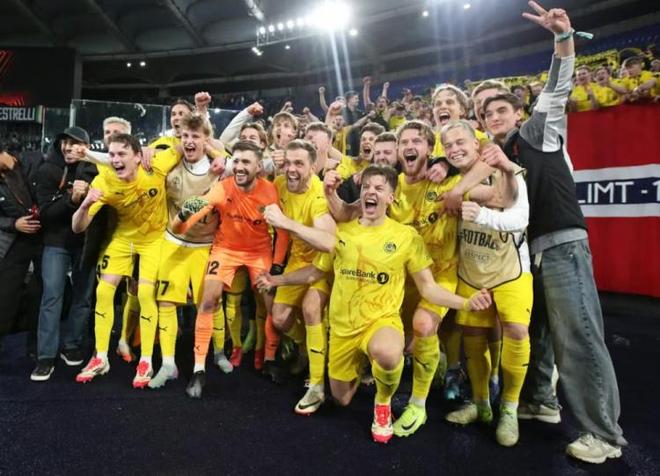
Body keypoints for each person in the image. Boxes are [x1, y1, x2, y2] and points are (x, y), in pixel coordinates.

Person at [472, 1, 626, 463]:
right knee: (537, 334)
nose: (493, 117)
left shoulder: (537, 131)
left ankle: (604, 435)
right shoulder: (496, 156)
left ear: (519, 111)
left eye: (500, 109)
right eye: (486, 114)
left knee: (578, 336)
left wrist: (562, 38)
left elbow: (558, 90)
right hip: (528, 252)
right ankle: (541, 401)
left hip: (561, 245)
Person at [257, 165, 492, 443]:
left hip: (380, 322)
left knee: (388, 353)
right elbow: (314, 273)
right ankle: (359, 367)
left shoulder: (406, 237)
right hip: (343, 329)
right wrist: (277, 280)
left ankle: (382, 403)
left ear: (391, 198)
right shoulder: (342, 233)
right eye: (367, 187)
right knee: (342, 399)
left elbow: (428, 287)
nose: (371, 192)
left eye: (380, 188)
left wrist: (465, 303)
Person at [171, 140, 288, 398]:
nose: (240, 167)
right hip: (225, 250)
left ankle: (270, 358)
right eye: (236, 161)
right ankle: (199, 369)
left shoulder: (270, 191)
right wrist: (182, 217)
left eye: (246, 162)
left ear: (258, 166)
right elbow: (182, 224)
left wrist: (277, 264)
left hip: (259, 252)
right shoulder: (221, 188)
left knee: (271, 305)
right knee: (208, 301)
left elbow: (282, 232)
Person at [440, 120, 532, 447]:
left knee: (516, 331)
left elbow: (517, 215)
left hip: (511, 270)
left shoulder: (511, 172)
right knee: (473, 337)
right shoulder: (450, 181)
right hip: (472, 271)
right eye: (448, 146)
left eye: (460, 142)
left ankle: (509, 408)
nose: (455, 149)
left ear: (476, 143)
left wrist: (479, 211)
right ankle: (481, 405)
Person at [72, 133, 181, 387]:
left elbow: (181, 146)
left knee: (145, 294)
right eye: (111, 155)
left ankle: (146, 361)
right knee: (103, 291)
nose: (115, 160)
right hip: (124, 239)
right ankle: (100, 358)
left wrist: (152, 148)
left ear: (137, 157)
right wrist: (85, 204)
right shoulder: (104, 180)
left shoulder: (156, 165)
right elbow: (78, 227)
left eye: (122, 154)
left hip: (154, 240)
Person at [148, 112, 226, 389]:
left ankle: (214, 355)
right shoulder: (170, 165)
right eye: (185, 136)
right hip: (174, 243)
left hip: (206, 247)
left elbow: (250, 165)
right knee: (166, 302)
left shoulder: (221, 168)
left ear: (207, 140)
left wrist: (220, 154)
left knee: (210, 304)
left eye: (196, 136)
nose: (189, 141)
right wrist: (147, 150)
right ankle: (168, 364)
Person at [261, 139, 335, 414]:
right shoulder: (281, 183)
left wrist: (286, 223)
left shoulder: (318, 196)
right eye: (288, 162)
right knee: (280, 319)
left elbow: (329, 243)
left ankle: (316, 385)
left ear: (313, 167)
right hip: (296, 260)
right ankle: (308, 348)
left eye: (299, 164)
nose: (291, 169)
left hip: (323, 264)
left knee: (311, 308)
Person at [31, 127, 98, 381]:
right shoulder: (47, 170)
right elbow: (46, 214)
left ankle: (72, 345)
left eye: (76, 143)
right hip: (56, 242)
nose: (69, 148)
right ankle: (45, 357)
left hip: (86, 244)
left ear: (87, 147)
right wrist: (71, 199)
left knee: (83, 297)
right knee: (52, 298)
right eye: (66, 143)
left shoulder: (97, 171)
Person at [0, 146, 42, 355]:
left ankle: (36, 347)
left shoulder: (32, 162)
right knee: (5, 296)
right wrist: (14, 224)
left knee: (40, 293)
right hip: (15, 241)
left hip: (44, 237)